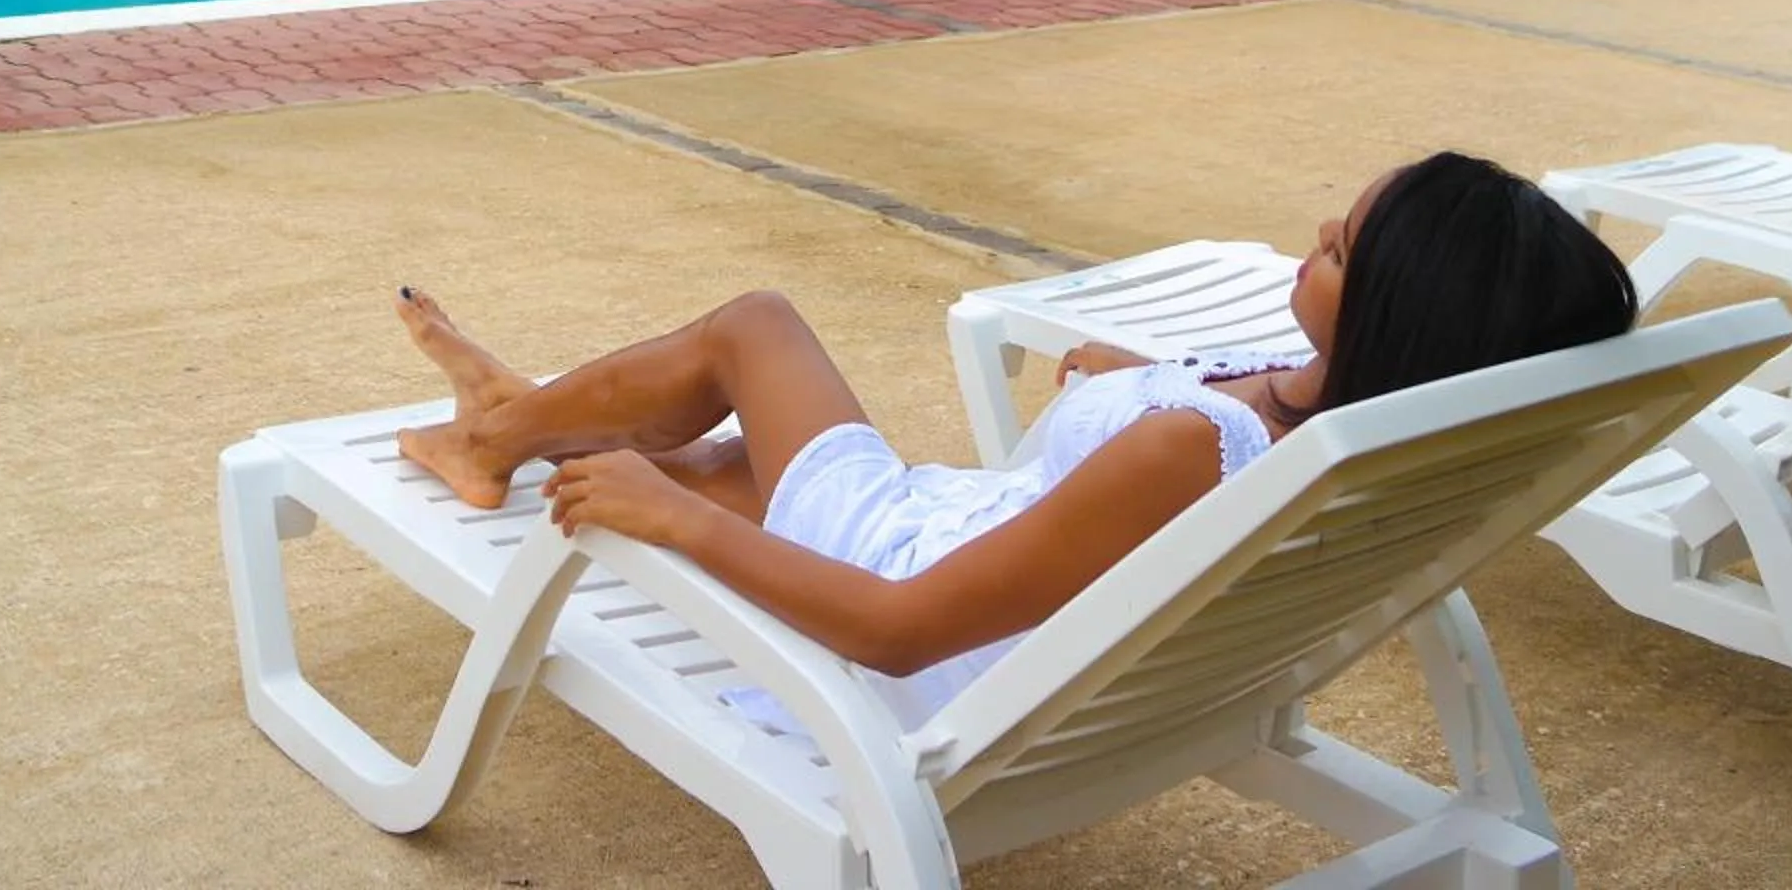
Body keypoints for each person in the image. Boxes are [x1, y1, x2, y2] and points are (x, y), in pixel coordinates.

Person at [389, 151, 1638, 725]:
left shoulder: (1191, 453)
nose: (1316, 221)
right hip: (972, 552)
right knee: (729, 453)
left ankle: (497, 436)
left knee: (753, 334)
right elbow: (1217, 435)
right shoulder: (1342, 426)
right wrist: (1143, 376)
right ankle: (525, 412)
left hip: (902, 594)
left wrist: (681, 527)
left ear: (1393, 317)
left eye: (1338, 245)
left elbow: (899, 628)